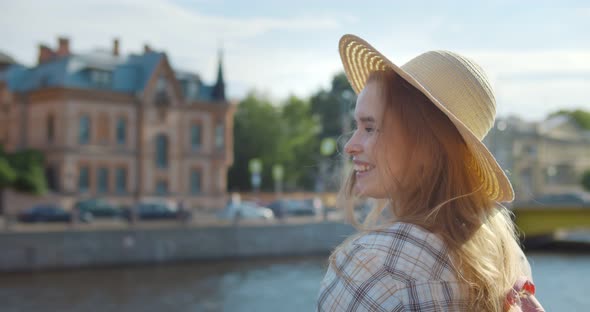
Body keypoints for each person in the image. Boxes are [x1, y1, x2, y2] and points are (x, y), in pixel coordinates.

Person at [316, 34, 544, 311]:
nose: (350, 146)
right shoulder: (507, 256)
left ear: (426, 145)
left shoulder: (376, 265)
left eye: (370, 127)